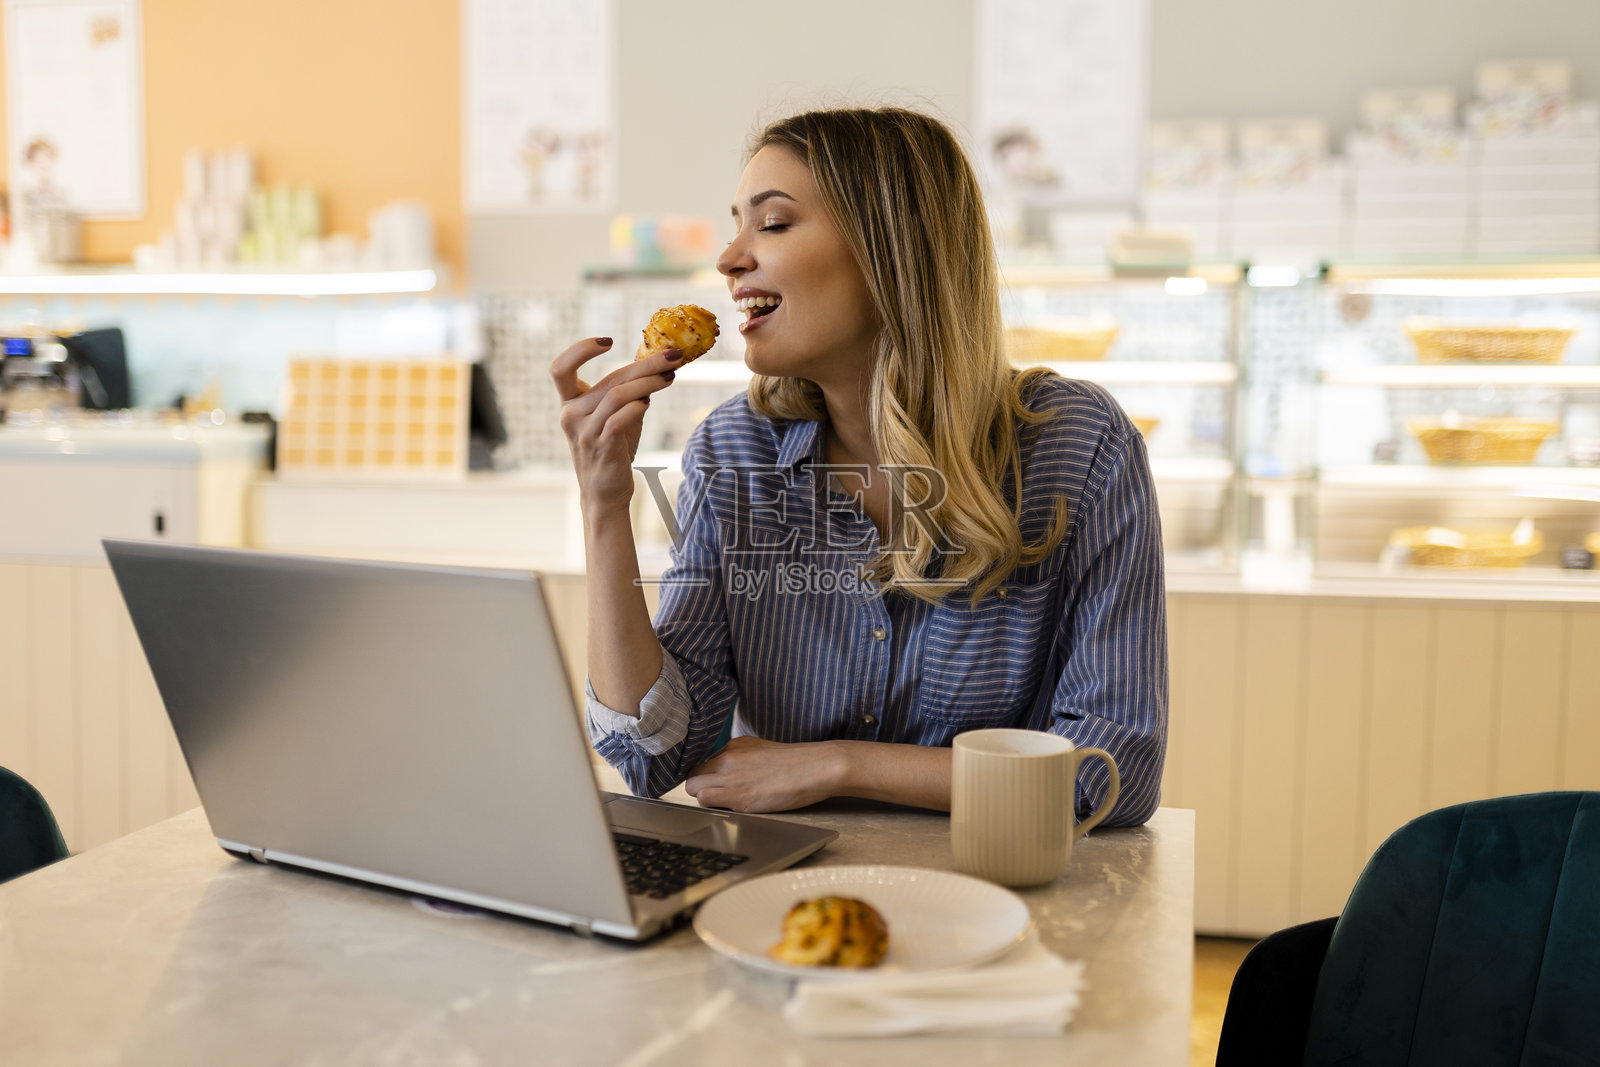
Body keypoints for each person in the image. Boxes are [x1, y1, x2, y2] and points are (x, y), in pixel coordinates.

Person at [551, 107, 1165, 825]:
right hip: (788, 882)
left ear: (890, 250)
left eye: (773, 223)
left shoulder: (1078, 444)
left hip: (992, 879)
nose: (729, 258)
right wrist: (603, 505)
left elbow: (1114, 772)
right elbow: (655, 756)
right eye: (736, 225)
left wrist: (842, 764)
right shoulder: (732, 449)